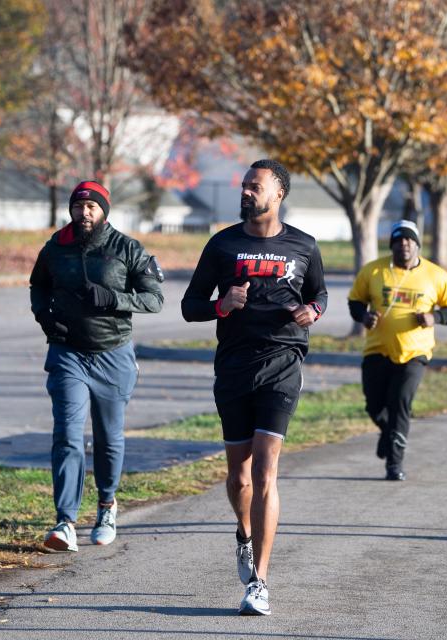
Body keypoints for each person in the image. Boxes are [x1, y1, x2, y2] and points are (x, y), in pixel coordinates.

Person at [181, 159, 327, 616]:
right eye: (244, 185)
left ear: (278, 193)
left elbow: (319, 293)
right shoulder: (223, 244)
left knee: (266, 471)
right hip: (234, 366)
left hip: (283, 362)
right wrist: (222, 305)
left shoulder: (303, 245)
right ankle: (243, 533)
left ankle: (260, 582)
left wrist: (314, 312)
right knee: (239, 475)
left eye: (255, 186)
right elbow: (189, 307)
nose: (246, 192)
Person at [29, 180, 165, 553]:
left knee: (108, 438)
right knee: (68, 435)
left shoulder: (127, 248)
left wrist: (113, 298)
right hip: (67, 353)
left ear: (104, 210)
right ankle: (65, 521)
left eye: (91, 207)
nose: (84, 212)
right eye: (78, 206)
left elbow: (155, 299)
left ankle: (107, 506)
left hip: (112, 354)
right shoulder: (56, 247)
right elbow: (37, 285)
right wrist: (44, 316)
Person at [348, 220, 447, 481]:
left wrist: (435, 317)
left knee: (400, 403)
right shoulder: (374, 271)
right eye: (399, 240)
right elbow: (355, 300)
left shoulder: (435, 275)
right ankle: (388, 433)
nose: (404, 245)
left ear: (417, 245)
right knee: (374, 406)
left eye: (409, 240)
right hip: (377, 349)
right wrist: (364, 317)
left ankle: (394, 464)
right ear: (392, 244)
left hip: (415, 352)